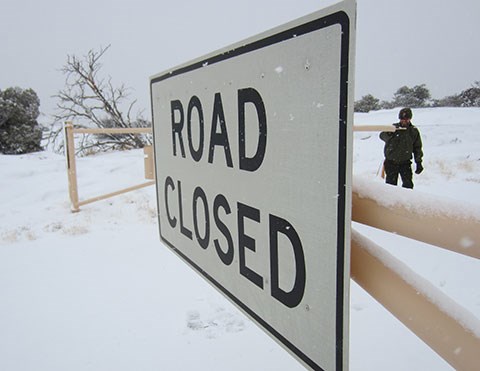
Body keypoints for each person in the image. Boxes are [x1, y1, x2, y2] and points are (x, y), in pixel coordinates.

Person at [379, 107, 423, 189]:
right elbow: (382, 135)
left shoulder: (413, 131)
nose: (404, 121)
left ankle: (406, 201)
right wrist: (389, 134)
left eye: (406, 119)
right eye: (402, 119)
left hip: (405, 163)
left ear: (410, 119)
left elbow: (417, 148)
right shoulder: (393, 128)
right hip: (391, 162)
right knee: (390, 186)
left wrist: (418, 162)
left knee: (408, 186)